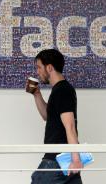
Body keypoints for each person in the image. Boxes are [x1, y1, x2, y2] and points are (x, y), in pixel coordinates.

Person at [28, 49, 83, 184]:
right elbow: (47, 116)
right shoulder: (59, 90)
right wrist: (37, 94)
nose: (38, 72)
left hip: (56, 160)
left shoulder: (63, 90)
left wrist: (75, 159)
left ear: (50, 67)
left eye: (39, 67)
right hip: (64, 160)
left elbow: (69, 126)